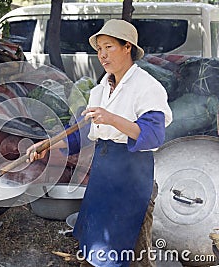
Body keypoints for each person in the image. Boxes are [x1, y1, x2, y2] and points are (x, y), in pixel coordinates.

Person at [27, 19, 172, 267]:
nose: (102, 55)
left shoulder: (147, 87)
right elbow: (83, 133)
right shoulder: (101, 88)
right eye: (99, 49)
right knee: (96, 244)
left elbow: (154, 134)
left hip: (132, 174)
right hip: (104, 171)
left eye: (109, 47)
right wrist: (47, 145)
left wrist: (113, 119)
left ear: (128, 47)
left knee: (130, 251)